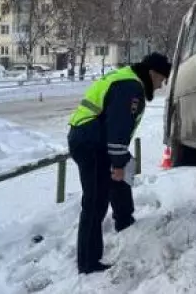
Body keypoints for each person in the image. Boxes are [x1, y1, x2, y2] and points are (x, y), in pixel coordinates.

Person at [66, 52, 171, 275]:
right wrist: (119, 164)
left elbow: (116, 134)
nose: (161, 85)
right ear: (152, 73)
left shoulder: (128, 79)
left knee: (124, 168)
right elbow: (117, 131)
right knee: (95, 201)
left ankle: (124, 220)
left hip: (90, 137)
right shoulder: (131, 88)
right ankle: (88, 262)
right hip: (91, 141)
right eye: (161, 79)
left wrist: (122, 163)